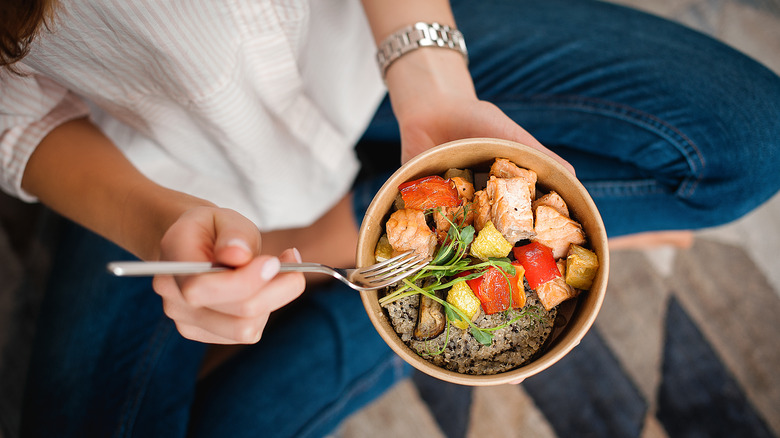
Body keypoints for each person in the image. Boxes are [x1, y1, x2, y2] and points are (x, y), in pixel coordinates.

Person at [2, 0, 779, 436]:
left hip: (375, 53)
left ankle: (371, 270)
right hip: (159, 162)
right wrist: (155, 223)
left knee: (752, 140)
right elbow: (15, 123)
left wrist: (434, 82)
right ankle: (385, 277)